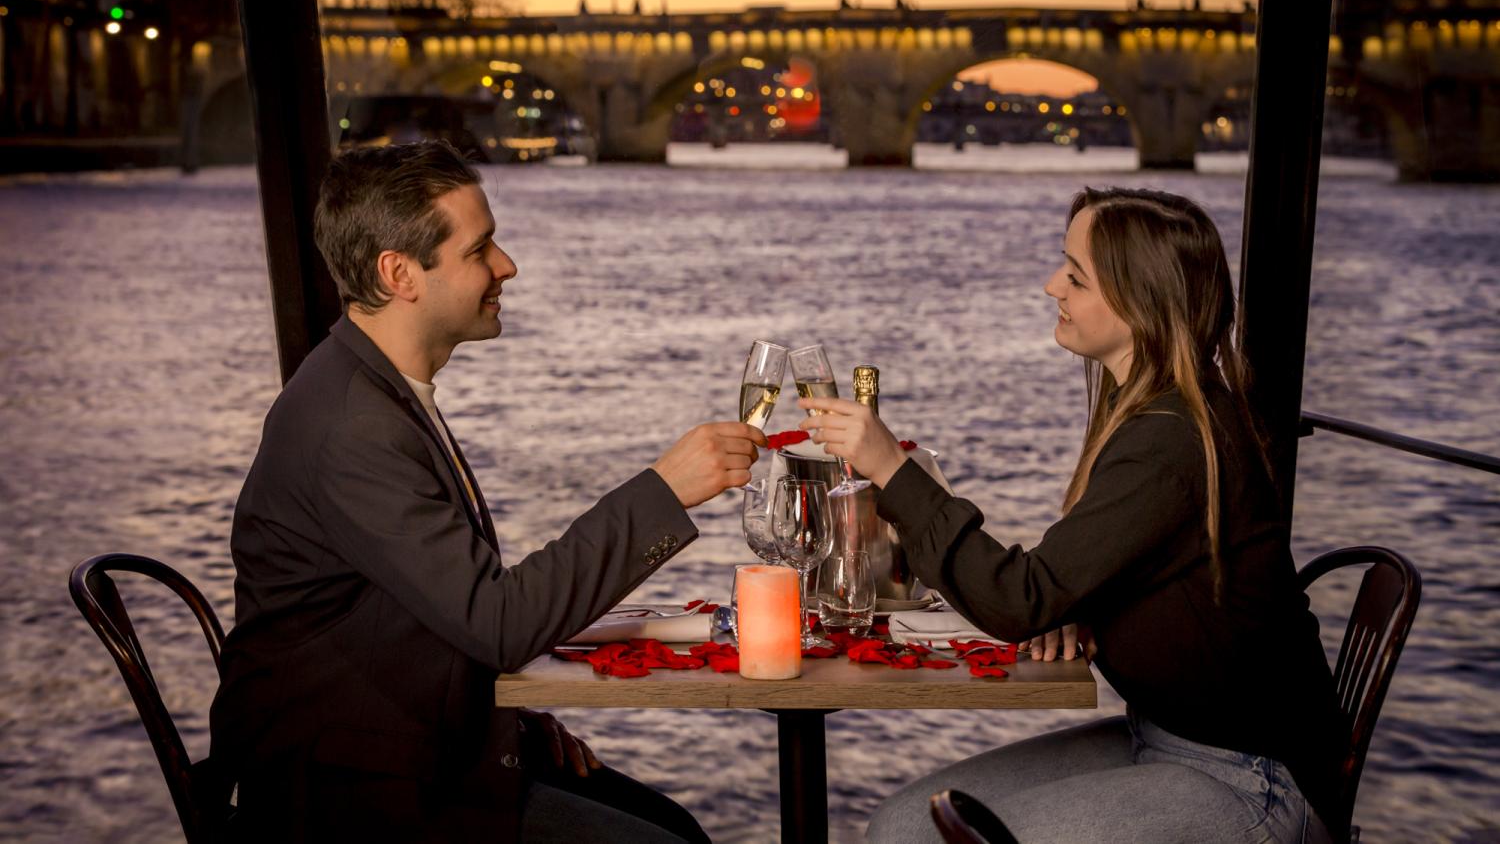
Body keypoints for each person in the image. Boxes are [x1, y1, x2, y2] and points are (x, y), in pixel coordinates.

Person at [210, 140, 765, 842]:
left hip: (406, 748)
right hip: (350, 798)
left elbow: (419, 617)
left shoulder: (377, 394)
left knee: (673, 824)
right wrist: (665, 489)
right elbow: (497, 621)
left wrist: (506, 723)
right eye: (481, 249)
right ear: (399, 273)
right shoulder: (355, 428)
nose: (507, 266)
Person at [799, 187, 1342, 843]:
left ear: (1141, 301)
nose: (1051, 283)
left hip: (1252, 777)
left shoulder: (1170, 439)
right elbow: (1061, 590)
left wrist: (891, 467)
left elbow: (1018, 599)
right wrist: (1085, 606)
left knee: (944, 839)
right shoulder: (1154, 415)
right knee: (901, 826)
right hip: (1166, 738)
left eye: (1076, 276)